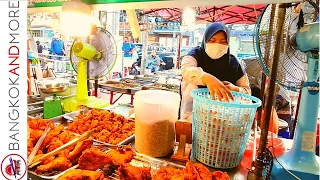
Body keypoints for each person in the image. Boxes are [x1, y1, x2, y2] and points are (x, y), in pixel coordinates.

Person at [180, 22, 251, 121]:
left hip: (224, 119)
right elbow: (187, 69)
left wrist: (235, 89)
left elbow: (247, 92)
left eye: (223, 41)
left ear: (228, 43)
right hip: (194, 114)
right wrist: (207, 78)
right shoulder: (196, 54)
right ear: (205, 40)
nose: (217, 45)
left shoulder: (233, 63)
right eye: (212, 40)